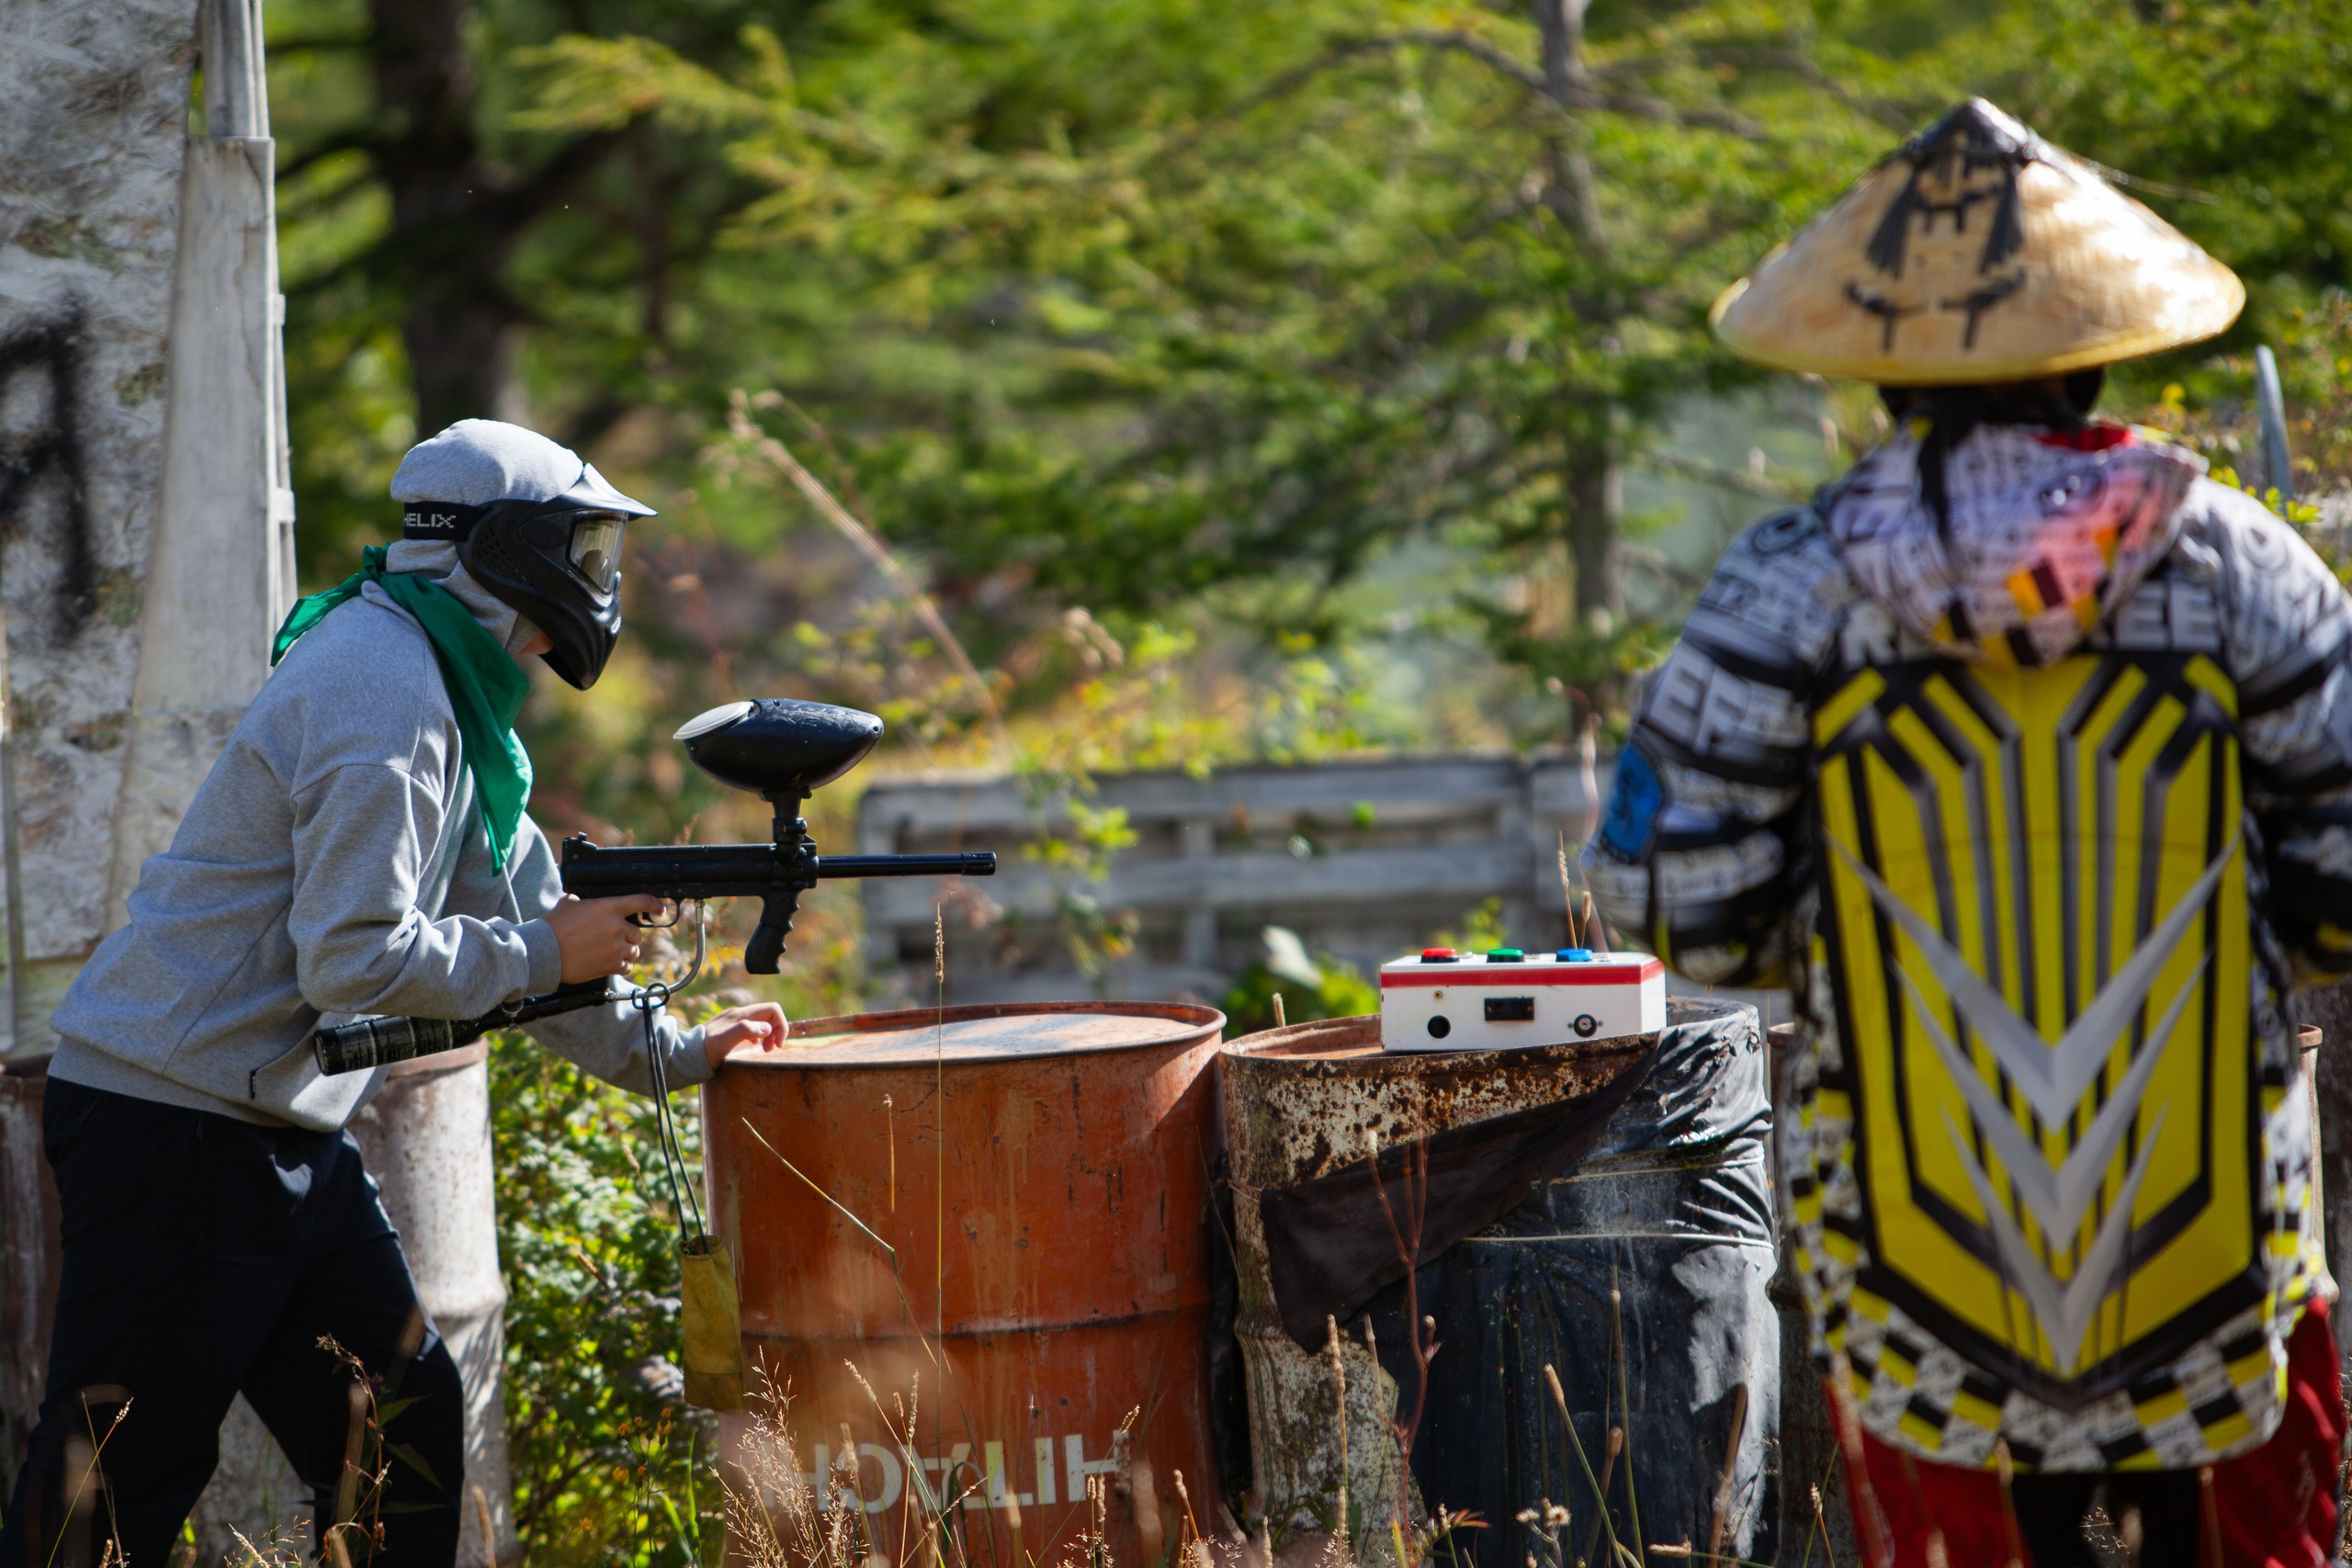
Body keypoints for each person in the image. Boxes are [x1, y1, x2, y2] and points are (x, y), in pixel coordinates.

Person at [1587, 101, 2344, 1567]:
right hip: (2215, 1232)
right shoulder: (2243, 562)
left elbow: (1684, 906)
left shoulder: (1787, 588)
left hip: (1907, 1236)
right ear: (2102, 353)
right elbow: (2344, 881)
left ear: (1876, 379)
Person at [2, 420, 787, 1566]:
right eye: (584, 548)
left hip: (267, 1125)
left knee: (398, 1436)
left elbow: (521, 919)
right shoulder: (384, 692)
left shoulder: (440, 680)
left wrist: (671, 1049)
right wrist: (546, 953)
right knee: (115, 1485)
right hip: (173, 1125)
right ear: (508, 548)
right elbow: (358, 960)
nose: (594, 580)